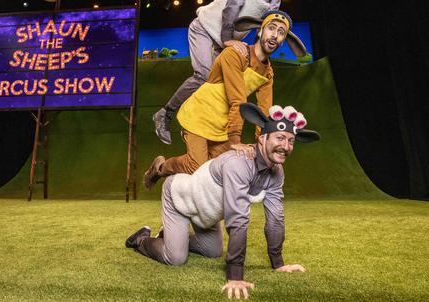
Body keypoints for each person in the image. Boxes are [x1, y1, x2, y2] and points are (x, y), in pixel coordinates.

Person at [126, 102, 320, 299]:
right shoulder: (239, 164)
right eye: (280, 138)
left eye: (291, 141)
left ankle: (168, 234)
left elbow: (276, 219)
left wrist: (278, 263)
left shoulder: (276, 173)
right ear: (262, 139)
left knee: (212, 251)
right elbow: (238, 220)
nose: (285, 146)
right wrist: (235, 275)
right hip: (181, 198)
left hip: (207, 212)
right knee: (175, 258)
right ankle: (141, 239)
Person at [152, 0, 306, 145]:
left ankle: (194, 127)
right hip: (206, 30)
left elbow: (269, 21)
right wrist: (227, 39)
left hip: (228, 41)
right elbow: (233, 3)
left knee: (221, 88)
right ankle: (165, 114)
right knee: (205, 75)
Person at [143, 10, 307, 190]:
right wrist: (235, 141)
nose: (275, 35)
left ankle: (210, 217)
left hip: (221, 126)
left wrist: (263, 144)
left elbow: (264, 111)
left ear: (283, 40)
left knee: (218, 171)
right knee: (196, 167)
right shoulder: (235, 54)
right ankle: (160, 168)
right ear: (260, 31)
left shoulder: (268, 73)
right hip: (200, 114)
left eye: (281, 32)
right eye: (271, 28)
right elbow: (238, 100)